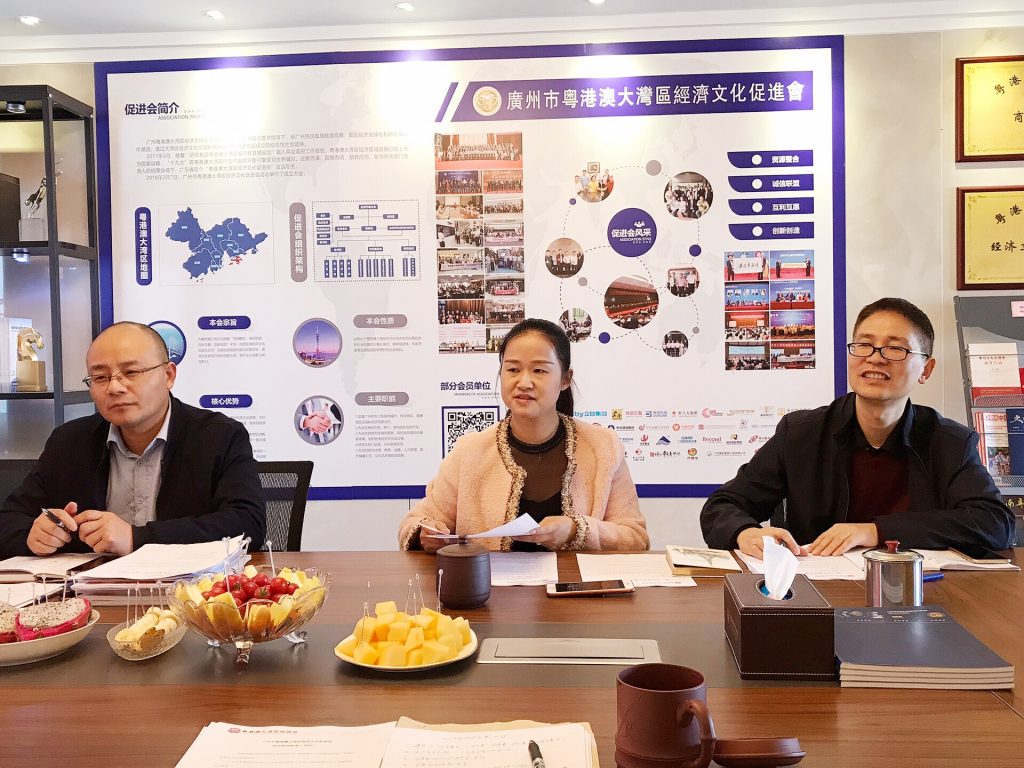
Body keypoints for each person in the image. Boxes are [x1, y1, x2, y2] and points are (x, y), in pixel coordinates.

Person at [701, 298, 1014, 558]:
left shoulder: (950, 442)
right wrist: (745, 533)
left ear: (926, 369)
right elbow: (723, 505)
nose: (875, 359)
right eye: (864, 345)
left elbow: (996, 523)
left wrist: (875, 531)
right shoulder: (801, 433)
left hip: (917, 595)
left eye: (896, 349)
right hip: (818, 594)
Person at [0, 322, 266, 558]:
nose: (115, 387)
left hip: (188, 589)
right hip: (91, 591)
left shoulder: (219, 436)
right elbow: (8, 520)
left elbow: (247, 524)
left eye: (131, 373)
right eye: (100, 377)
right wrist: (32, 535)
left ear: (168, 375)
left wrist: (136, 538)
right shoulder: (69, 442)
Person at [399, 318, 648, 552]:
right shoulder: (470, 451)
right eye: (513, 369)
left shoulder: (604, 448)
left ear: (565, 379)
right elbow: (414, 523)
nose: (524, 382)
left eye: (539, 370)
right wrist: (426, 533)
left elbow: (635, 538)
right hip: (489, 584)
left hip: (575, 584)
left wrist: (576, 530)